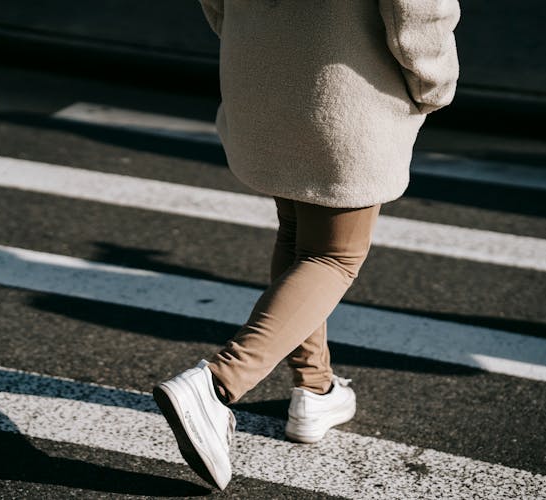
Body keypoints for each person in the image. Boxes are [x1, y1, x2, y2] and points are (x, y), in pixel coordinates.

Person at [153, 0, 460, 490]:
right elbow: (417, 9)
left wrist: (245, 37)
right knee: (335, 255)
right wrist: (434, 81)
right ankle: (217, 382)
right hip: (347, 85)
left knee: (299, 236)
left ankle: (314, 389)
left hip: (261, 71)